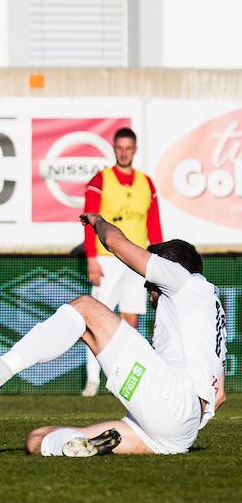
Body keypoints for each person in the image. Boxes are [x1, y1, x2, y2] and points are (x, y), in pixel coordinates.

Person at [0, 214, 224, 457]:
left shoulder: (181, 278)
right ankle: (76, 450)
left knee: (86, 308)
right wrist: (178, 420)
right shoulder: (213, 310)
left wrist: (98, 222)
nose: (149, 291)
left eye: (150, 284)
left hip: (171, 401)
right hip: (180, 435)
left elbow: (115, 243)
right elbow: (219, 396)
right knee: (38, 440)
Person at [81, 126, 163, 396]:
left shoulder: (146, 182)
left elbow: (153, 224)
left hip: (136, 258)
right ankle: (92, 380)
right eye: (120, 147)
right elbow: (90, 218)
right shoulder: (101, 179)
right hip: (107, 258)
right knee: (96, 317)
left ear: (135, 150)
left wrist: (158, 257)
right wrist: (92, 257)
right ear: (114, 149)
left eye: (129, 147)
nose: (124, 152)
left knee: (131, 318)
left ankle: (124, 377)